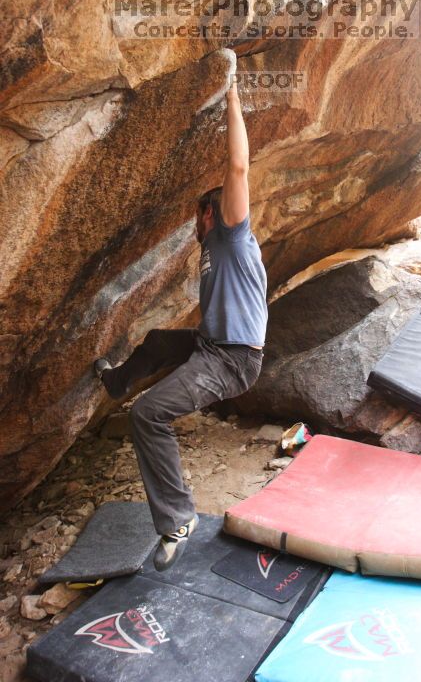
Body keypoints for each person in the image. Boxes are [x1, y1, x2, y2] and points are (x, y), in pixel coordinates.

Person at [93, 78, 268, 571]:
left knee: (148, 413)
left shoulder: (232, 235)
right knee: (156, 342)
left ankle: (177, 519)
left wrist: (232, 94)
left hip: (233, 359)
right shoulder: (213, 247)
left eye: (197, 217)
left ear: (212, 213)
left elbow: (238, 166)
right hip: (212, 344)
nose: (193, 227)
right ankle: (114, 382)